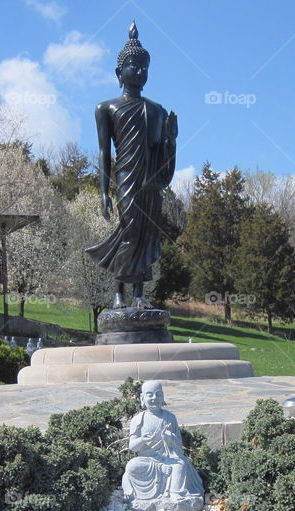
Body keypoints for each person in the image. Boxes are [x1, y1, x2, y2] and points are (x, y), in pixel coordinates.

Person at [86, 21, 177, 309]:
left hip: (150, 183)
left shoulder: (157, 110)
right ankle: (119, 293)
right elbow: (104, 154)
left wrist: (171, 141)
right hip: (125, 177)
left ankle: (139, 294)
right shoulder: (106, 108)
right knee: (130, 230)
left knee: (148, 235)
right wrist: (103, 192)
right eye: (133, 66)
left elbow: (162, 156)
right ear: (119, 72)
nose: (139, 71)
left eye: (144, 67)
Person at [122, 380, 203, 511]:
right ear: (142, 398)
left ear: (163, 397)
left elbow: (178, 445)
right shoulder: (138, 419)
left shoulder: (170, 417)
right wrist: (142, 440)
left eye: (158, 394)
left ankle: (175, 493)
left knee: (180, 466)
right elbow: (132, 446)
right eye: (150, 395)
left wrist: (169, 438)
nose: (154, 398)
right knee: (131, 466)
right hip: (147, 459)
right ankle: (160, 470)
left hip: (168, 457)